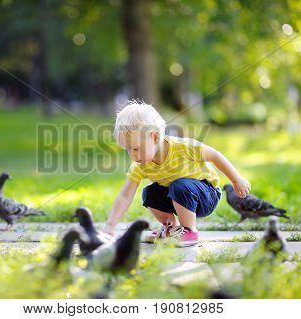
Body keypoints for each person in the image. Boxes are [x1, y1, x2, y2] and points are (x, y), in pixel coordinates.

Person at [104, 100, 251, 247]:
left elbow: (215, 155)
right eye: (127, 150)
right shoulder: (141, 164)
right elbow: (125, 195)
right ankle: (172, 228)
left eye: (135, 149)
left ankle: (189, 231)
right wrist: (110, 225)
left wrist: (236, 179)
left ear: (154, 137)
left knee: (179, 185)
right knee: (149, 192)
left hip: (206, 195)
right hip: (177, 196)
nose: (132, 155)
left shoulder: (183, 147)